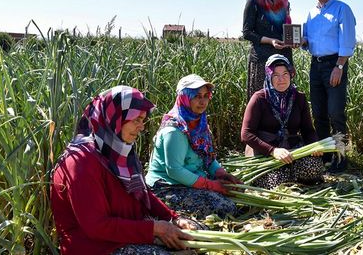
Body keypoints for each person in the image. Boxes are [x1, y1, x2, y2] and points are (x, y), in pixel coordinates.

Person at [51, 86, 200, 255]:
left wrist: (173, 218)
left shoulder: (117, 150)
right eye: (136, 120)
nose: (142, 127)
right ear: (114, 118)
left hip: (125, 235)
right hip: (95, 247)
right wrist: (155, 229)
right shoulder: (81, 161)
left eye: (143, 120)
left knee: (195, 234)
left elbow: (141, 193)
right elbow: (96, 226)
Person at [146, 74, 240, 219]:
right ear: (184, 98)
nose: (203, 101)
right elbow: (174, 170)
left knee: (236, 197)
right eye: (197, 96)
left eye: (205, 96)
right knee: (225, 208)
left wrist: (221, 173)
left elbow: (206, 155)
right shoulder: (175, 129)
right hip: (167, 186)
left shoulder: (199, 123)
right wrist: (212, 185)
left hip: (191, 179)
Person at [241, 54, 324, 189]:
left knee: (314, 169)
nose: (281, 79)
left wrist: (314, 144)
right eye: (276, 75)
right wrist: (273, 151)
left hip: (292, 151)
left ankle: (294, 178)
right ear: (269, 76)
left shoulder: (299, 98)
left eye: (285, 74)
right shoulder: (259, 98)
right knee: (278, 182)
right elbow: (246, 134)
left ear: (291, 75)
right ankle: (289, 179)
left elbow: (308, 129)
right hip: (265, 153)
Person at [302, 0, 357, 173]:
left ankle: (341, 157)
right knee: (319, 113)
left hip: (334, 64)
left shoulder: (342, 9)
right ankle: (326, 155)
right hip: (315, 66)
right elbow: (306, 38)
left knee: (335, 112)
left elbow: (348, 40)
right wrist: (301, 41)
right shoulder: (311, 13)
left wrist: (339, 66)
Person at [242, 0, 296, 99]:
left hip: (281, 63)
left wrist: (291, 60)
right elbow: (247, 33)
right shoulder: (254, 1)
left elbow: (286, 32)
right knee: (261, 101)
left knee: (281, 103)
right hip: (261, 60)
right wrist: (270, 41)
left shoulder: (285, 4)